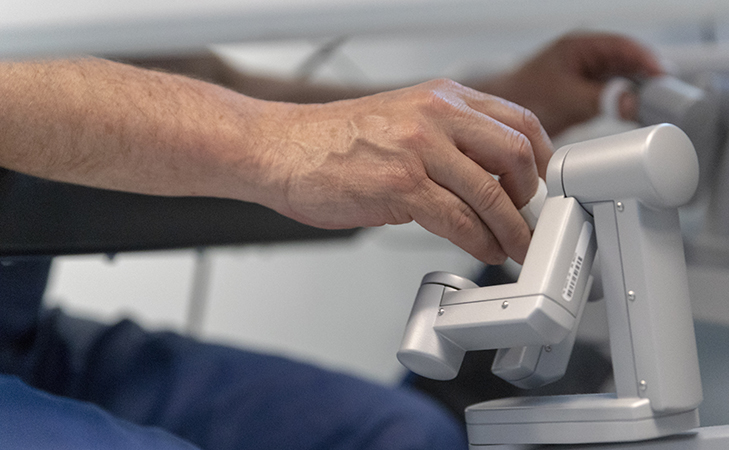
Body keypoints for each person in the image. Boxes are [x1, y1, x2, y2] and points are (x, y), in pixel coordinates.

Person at [0, 32, 662, 449]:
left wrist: (494, 101)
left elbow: (155, 71)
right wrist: (269, 143)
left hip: (21, 340)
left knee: (407, 436)